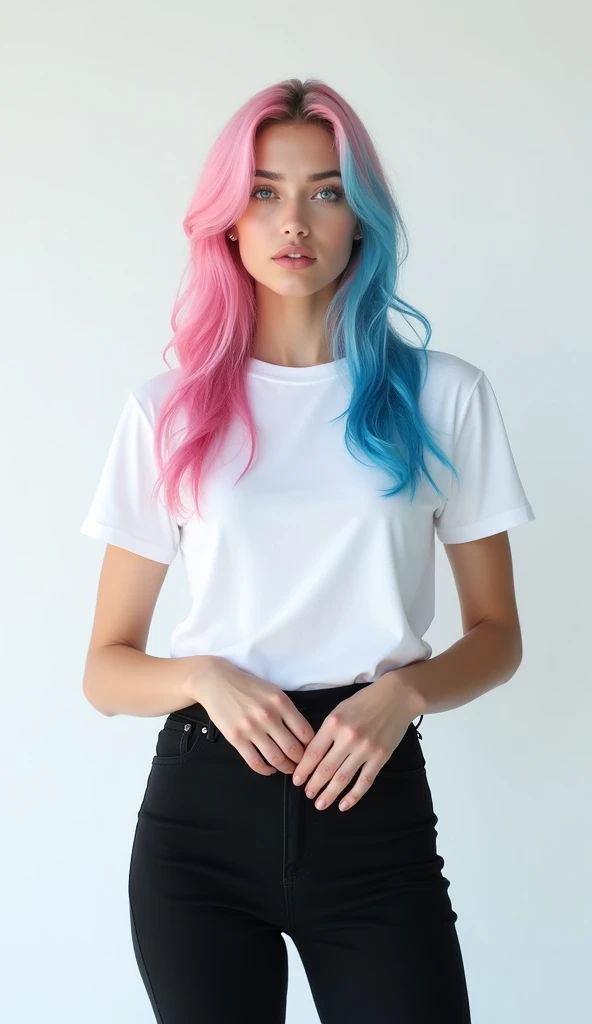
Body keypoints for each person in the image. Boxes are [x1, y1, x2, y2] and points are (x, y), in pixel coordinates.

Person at [80, 77, 535, 1024]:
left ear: (360, 218)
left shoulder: (442, 397)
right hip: (200, 821)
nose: (295, 220)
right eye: (264, 190)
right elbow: (105, 670)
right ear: (227, 220)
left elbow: (497, 635)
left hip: (374, 810)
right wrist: (204, 675)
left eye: (326, 190)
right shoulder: (166, 412)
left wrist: (404, 693)